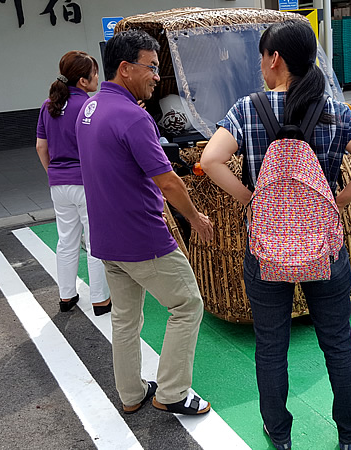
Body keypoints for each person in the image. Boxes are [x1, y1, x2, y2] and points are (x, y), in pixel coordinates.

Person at [201, 20, 351, 450]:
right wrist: (334, 202)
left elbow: (212, 160)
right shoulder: (332, 108)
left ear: (275, 59)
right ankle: (348, 431)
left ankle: (279, 433)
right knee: (338, 342)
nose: (261, 68)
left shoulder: (248, 109)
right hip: (325, 248)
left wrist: (252, 198)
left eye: (262, 59)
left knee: (271, 346)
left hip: (266, 248)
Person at [75, 30, 214, 416]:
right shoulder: (134, 118)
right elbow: (168, 181)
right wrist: (196, 217)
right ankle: (172, 393)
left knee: (125, 320)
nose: (156, 76)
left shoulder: (90, 109)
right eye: (151, 67)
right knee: (187, 304)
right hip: (142, 237)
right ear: (125, 68)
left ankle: (131, 393)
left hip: (105, 238)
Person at [36, 51, 111, 316]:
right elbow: (100, 146)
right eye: (95, 73)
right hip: (86, 183)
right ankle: (100, 300)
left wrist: (54, 174)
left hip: (59, 183)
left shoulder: (48, 105)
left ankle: (66, 296)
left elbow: (40, 146)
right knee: (95, 241)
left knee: (66, 241)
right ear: (82, 80)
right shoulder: (89, 106)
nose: (97, 78)